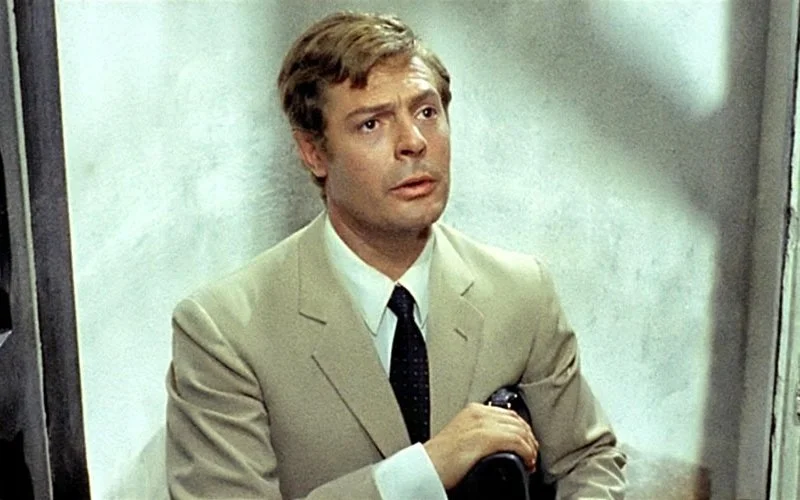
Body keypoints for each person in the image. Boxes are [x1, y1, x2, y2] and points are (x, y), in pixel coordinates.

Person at [165, 11, 626, 499]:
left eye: (426, 112)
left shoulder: (521, 291)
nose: (413, 143)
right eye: (371, 124)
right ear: (314, 153)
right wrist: (427, 467)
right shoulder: (223, 331)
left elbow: (588, 462)